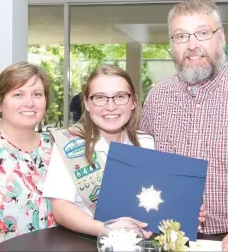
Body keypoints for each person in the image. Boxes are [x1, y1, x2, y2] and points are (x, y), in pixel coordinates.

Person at [141, 0, 228, 252]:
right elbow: (146, 171)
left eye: (203, 33)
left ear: (222, 37)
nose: (192, 45)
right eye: (181, 36)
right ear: (171, 45)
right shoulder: (156, 98)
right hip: (167, 239)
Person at [43, 64, 206, 237]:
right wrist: (107, 230)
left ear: (133, 102)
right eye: (100, 97)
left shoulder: (146, 142)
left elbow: (155, 197)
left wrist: (186, 210)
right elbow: (61, 208)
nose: (111, 106)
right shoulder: (70, 144)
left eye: (120, 96)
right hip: (84, 242)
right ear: (87, 103)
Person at [0, 62, 56, 251]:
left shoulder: (55, 147)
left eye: (37, 94)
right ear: (0, 104)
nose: (30, 103)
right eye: (18, 94)